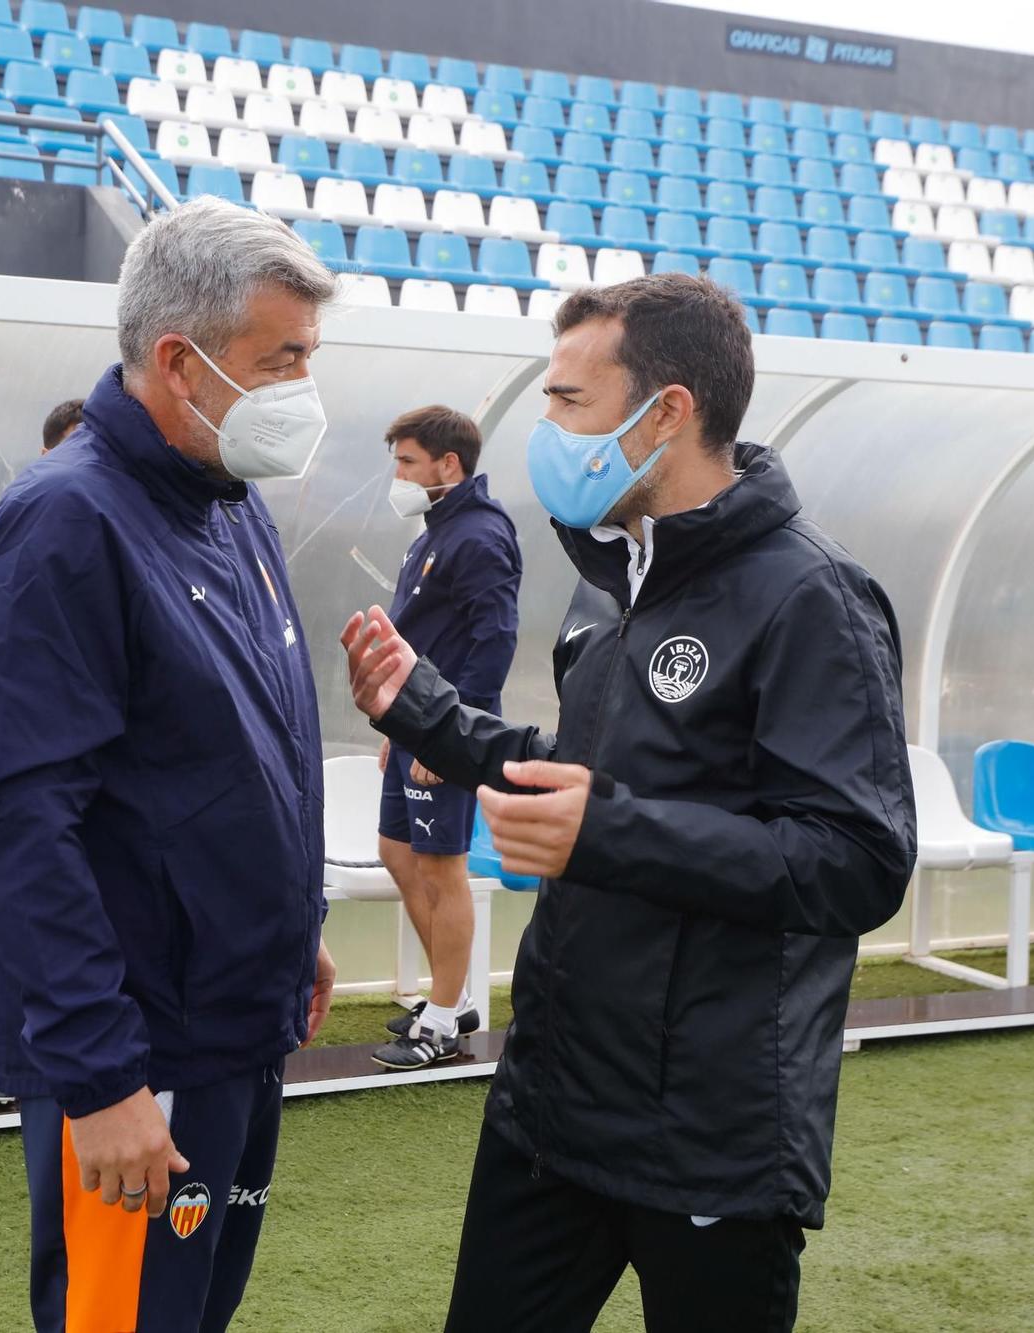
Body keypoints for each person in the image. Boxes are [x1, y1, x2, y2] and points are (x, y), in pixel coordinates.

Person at [341, 272, 915, 1332]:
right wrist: (422, 712)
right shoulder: (618, 573)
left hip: (710, 1130)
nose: (546, 429)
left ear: (666, 412)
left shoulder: (809, 597)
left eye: (568, 402)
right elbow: (580, 769)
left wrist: (608, 831)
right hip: (552, 1101)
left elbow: (855, 859)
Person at [0, 198, 339, 1333]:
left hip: (233, 1026)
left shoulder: (226, 502)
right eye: (284, 360)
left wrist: (288, 930)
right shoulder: (62, 528)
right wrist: (103, 1080)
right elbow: (20, 827)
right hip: (142, 1053)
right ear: (180, 360)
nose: (304, 390)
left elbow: (237, 749)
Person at [371, 405, 522, 1070]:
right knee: (396, 851)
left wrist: (448, 738)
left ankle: (441, 1019)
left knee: (441, 868)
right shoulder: (437, 531)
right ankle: (450, 997)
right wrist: (400, 725)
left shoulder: (480, 535)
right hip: (415, 728)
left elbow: (495, 641)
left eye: (407, 462)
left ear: (447, 464)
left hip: (445, 733)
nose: (398, 475)